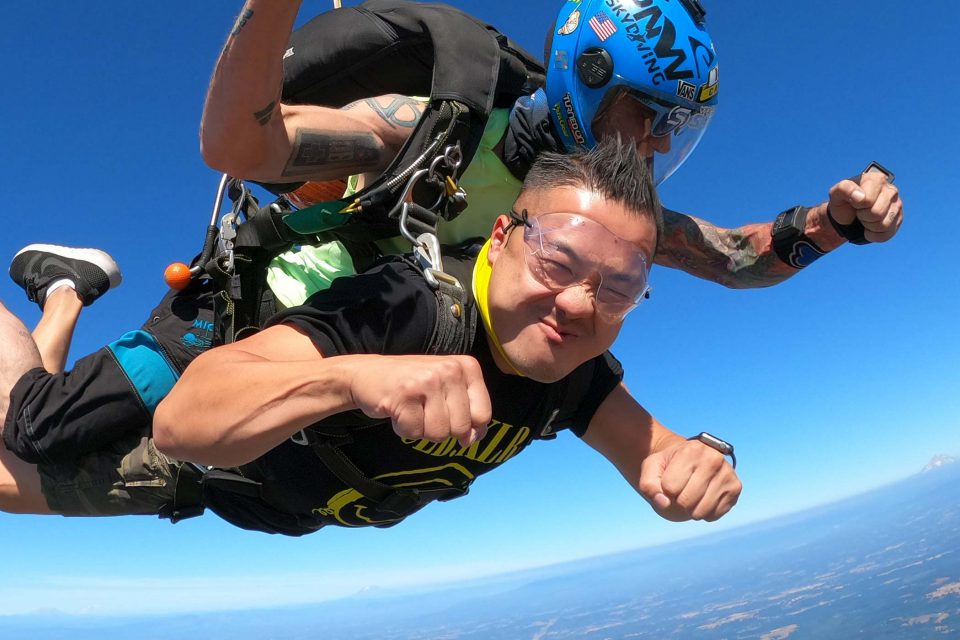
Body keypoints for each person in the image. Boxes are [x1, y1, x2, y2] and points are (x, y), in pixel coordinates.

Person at [0, 139, 740, 533]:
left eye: (617, 289)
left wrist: (700, 466)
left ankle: (63, 298)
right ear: (503, 239)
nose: (581, 303)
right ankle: (61, 296)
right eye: (560, 260)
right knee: (13, 450)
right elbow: (186, 420)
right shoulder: (407, 309)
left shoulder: (572, 369)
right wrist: (357, 377)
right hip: (219, 461)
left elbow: (662, 457)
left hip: (262, 495)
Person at [199, 0, 902, 310]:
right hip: (293, 329)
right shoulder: (434, 129)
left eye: (678, 125)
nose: (659, 143)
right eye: (650, 115)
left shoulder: (602, 206)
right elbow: (246, 146)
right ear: (587, 78)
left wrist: (833, 225)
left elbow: (733, 260)